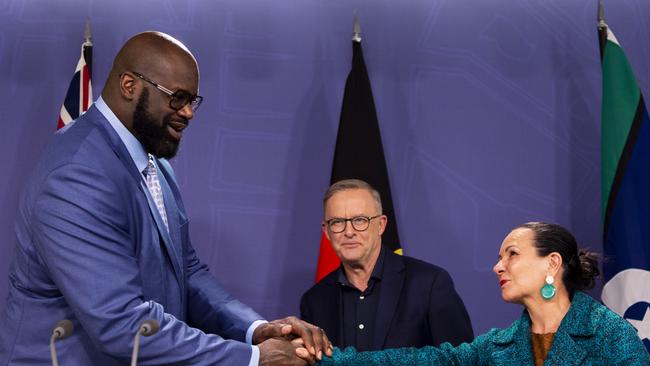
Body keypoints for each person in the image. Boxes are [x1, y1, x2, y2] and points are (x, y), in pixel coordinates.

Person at [0, 31, 330, 365]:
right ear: (129, 85)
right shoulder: (76, 175)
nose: (188, 113)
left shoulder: (153, 162)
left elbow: (186, 272)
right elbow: (121, 325)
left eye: (193, 101)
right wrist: (252, 359)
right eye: (177, 98)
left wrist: (255, 329)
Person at [318, 222, 650, 365]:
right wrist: (323, 360)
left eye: (512, 254)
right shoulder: (496, 348)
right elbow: (422, 360)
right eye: (499, 257)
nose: (498, 266)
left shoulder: (607, 333)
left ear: (552, 263)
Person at [300, 179, 474, 351]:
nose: (349, 232)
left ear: (381, 225)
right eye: (337, 222)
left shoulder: (429, 284)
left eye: (360, 220)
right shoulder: (315, 301)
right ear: (326, 231)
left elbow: (463, 360)